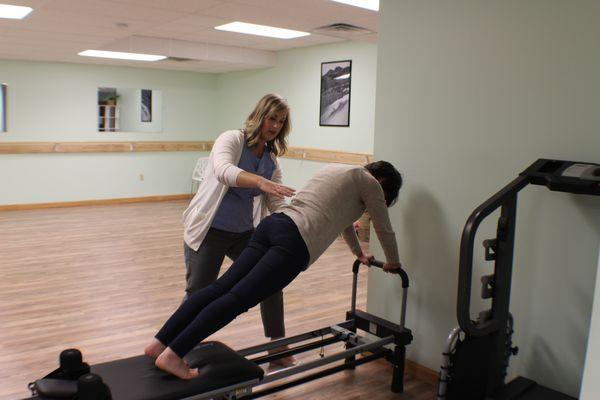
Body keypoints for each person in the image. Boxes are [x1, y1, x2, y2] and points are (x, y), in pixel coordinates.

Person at [145, 161, 404, 379]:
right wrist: (393, 261)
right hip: (294, 244)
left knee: (219, 288)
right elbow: (383, 226)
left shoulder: (340, 171)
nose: (379, 201)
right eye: (385, 196)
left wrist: (358, 253)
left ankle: (159, 344)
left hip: (274, 225)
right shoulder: (370, 184)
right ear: (383, 183)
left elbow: (343, 222)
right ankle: (174, 354)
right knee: (236, 299)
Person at [181, 94, 295, 363]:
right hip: (209, 230)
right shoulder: (232, 139)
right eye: (271, 118)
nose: (275, 126)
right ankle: (177, 347)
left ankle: (277, 346)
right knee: (199, 292)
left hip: (243, 233)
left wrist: (294, 220)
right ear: (260, 116)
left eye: (281, 121)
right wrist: (259, 182)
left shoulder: (271, 159)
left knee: (271, 279)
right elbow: (222, 170)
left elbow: (275, 198)